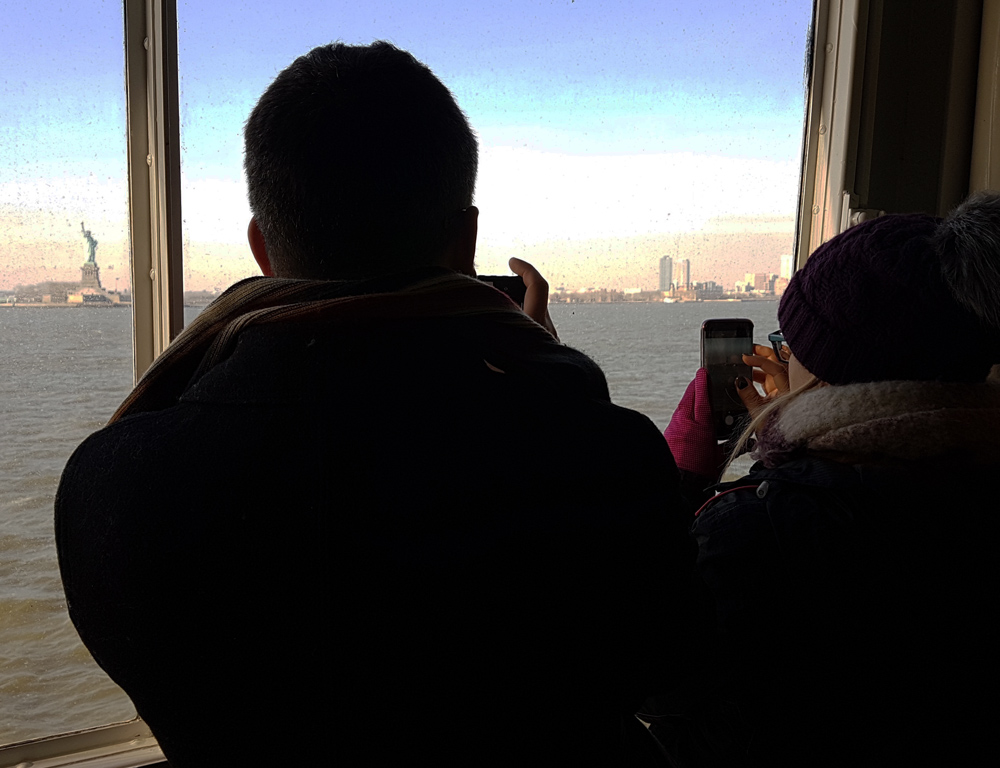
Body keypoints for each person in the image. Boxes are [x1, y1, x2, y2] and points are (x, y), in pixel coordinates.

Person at [55, 42, 694, 767]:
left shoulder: (113, 485)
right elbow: (656, 668)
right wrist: (546, 387)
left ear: (262, 249)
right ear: (467, 240)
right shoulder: (605, 458)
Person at [651, 192, 1000, 766]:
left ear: (833, 368)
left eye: (791, 344)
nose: (780, 359)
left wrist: (688, 475)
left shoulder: (757, 530)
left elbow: (646, 670)